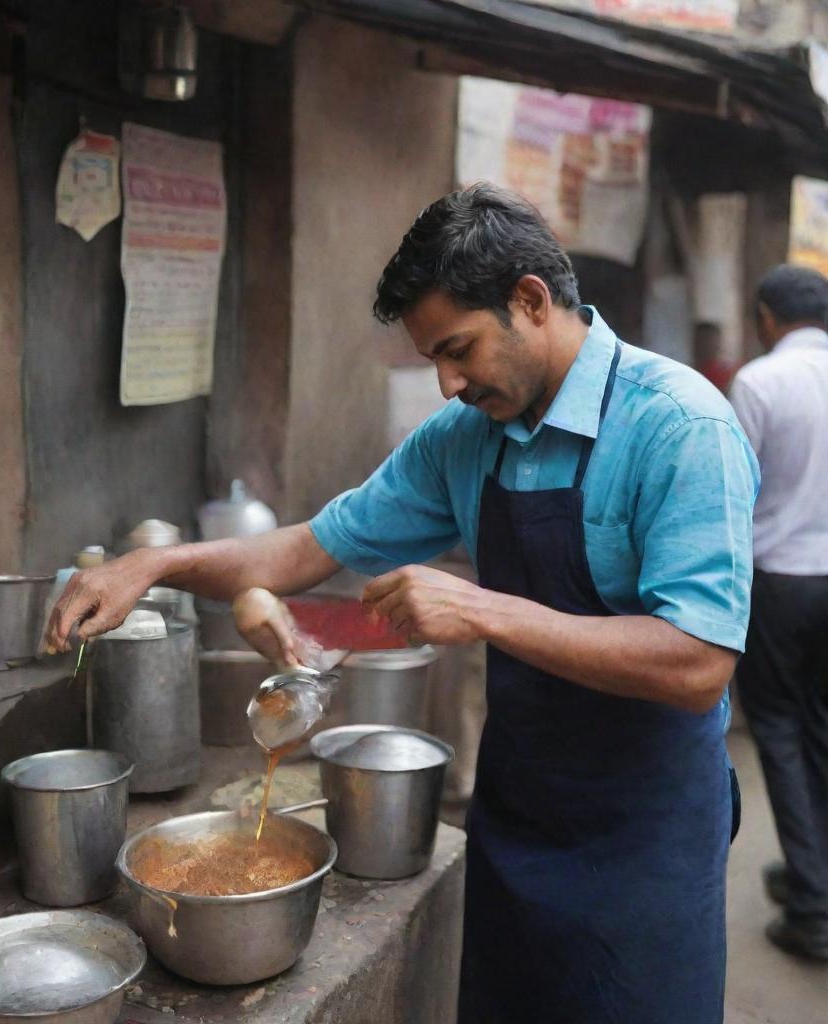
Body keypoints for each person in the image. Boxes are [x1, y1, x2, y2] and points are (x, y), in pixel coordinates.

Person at [47, 184, 758, 1022]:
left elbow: (698, 664)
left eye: (459, 349)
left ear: (530, 300)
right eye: (434, 360)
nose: (450, 383)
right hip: (520, 811)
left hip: (647, 837)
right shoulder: (462, 438)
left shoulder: (680, 429)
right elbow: (305, 549)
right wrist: (153, 565)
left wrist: (483, 610)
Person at [729, 263, 828, 961]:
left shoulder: (760, 381)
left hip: (781, 579)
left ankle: (813, 901)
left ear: (768, 316)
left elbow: (733, 489)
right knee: (821, 725)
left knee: (780, 729)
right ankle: (814, 871)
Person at [694, 320, 736, 394]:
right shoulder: (688, 369)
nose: (707, 344)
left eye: (711, 339)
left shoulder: (729, 372)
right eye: (703, 340)